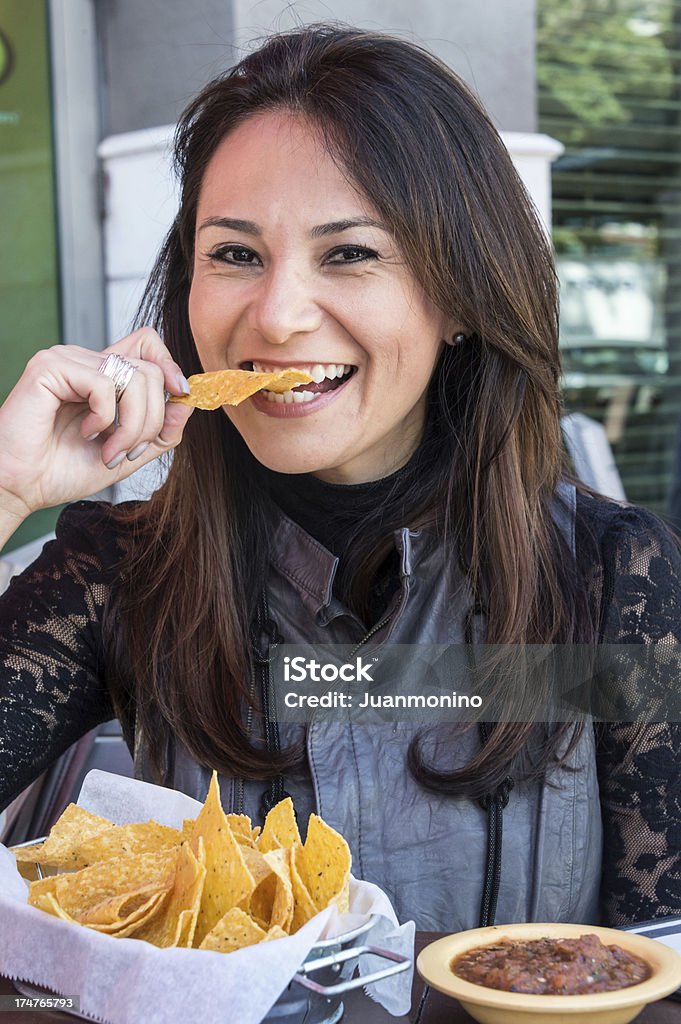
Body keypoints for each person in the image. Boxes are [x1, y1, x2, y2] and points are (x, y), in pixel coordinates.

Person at [0, 24, 680, 933]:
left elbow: (660, 963)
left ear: (462, 297)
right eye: (235, 254)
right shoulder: (123, 571)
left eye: (350, 253)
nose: (277, 317)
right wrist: (4, 490)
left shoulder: (608, 580)